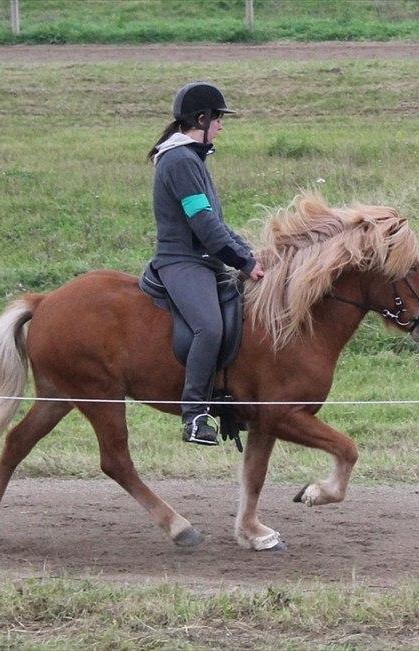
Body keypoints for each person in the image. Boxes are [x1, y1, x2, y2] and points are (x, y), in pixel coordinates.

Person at [147, 81, 264, 446]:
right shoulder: (181, 160)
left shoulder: (192, 159)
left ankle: (229, 401)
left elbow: (217, 223)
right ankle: (194, 415)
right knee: (209, 328)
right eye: (218, 119)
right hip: (182, 262)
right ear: (201, 118)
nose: (221, 126)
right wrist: (243, 262)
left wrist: (250, 254)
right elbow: (203, 224)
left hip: (204, 261)